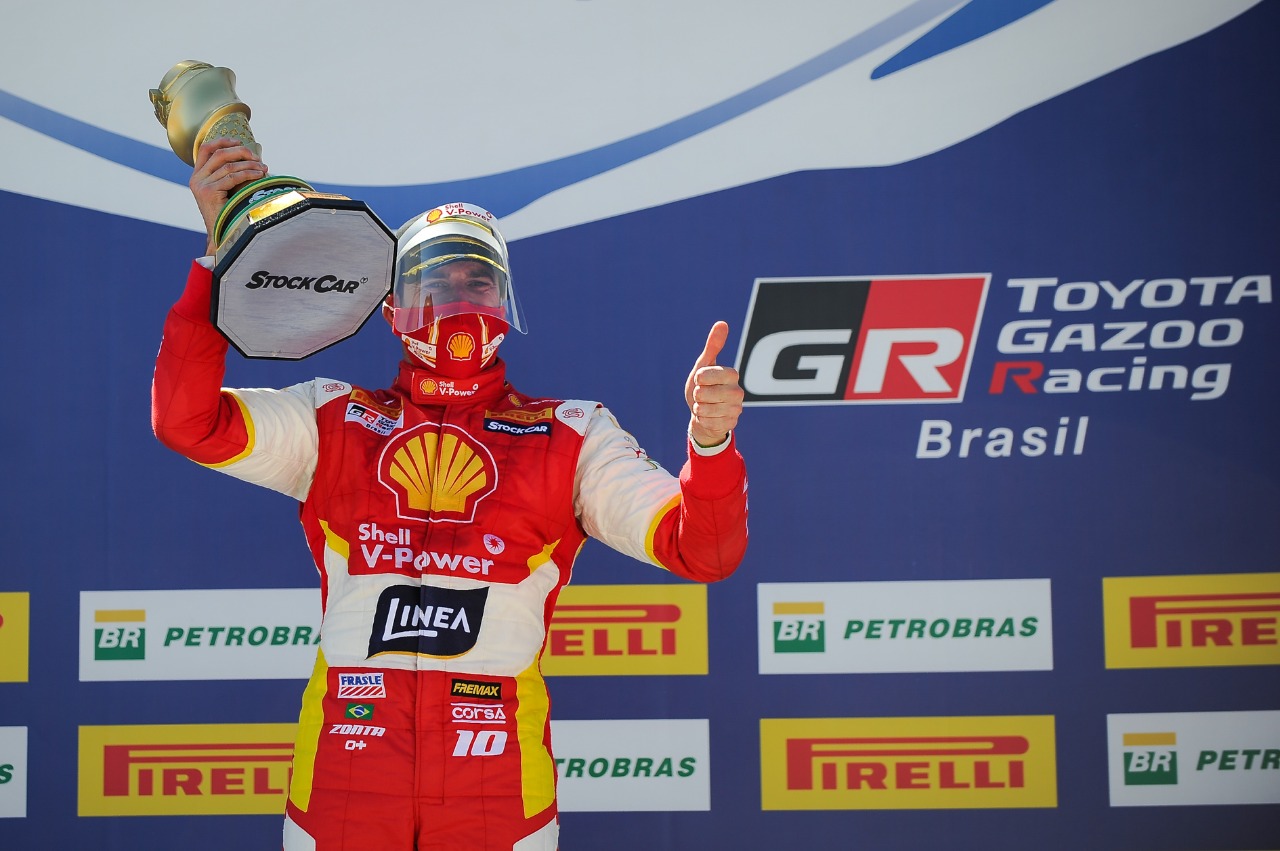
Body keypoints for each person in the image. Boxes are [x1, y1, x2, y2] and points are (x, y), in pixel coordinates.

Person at [151, 138, 749, 851]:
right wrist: (220, 260)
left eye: (479, 282)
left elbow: (702, 547)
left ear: (506, 299)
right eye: (437, 284)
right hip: (345, 777)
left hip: (496, 788)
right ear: (391, 310)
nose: (459, 301)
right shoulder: (334, 418)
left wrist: (711, 448)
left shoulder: (571, 434)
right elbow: (187, 422)